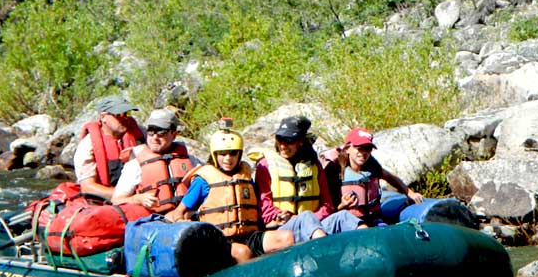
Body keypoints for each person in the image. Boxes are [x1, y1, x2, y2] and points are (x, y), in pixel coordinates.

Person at [167, 127, 294, 263]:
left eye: (233, 153)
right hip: (218, 241)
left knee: (286, 238)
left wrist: (274, 221)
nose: (228, 158)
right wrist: (182, 222)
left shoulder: (245, 177)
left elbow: (252, 214)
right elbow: (178, 213)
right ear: (214, 154)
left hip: (248, 235)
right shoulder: (203, 180)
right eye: (222, 153)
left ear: (239, 154)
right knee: (243, 252)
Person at [254, 116, 363, 241]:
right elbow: (265, 209)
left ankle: (372, 248)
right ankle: (325, 254)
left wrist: (313, 219)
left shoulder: (314, 166)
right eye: (280, 139)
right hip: (283, 230)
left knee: (344, 217)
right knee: (306, 217)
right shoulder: (265, 166)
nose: (283, 145)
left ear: (300, 141)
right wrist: (282, 216)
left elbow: (327, 205)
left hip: (314, 225)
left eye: (288, 140)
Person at [327, 127, 424, 226]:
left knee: (383, 228)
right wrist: (343, 205)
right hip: (349, 222)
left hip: (374, 218)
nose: (364, 153)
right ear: (347, 149)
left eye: (368, 148)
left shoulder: (372, 167)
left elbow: (390, 178)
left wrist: (409, 192)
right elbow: (329, 210)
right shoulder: (336, 171)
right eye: (359, 148)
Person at [110, 109, 202, 214]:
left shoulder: (191, 160)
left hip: (189, 217)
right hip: (155, 221)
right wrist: (138, 199)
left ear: (174, 134)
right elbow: (116, 201)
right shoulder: (135, 165)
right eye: (151, 131)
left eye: (161, 132)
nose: (155, 137)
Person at [73, 96, 145, 200]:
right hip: (107, 200)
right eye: (118, 114)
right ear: (103, 117)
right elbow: (87, 187)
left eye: (127, 114)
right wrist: (127, 197)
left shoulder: (141, 134)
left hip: (141, 194)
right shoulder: (87, 145)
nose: (124, 118)